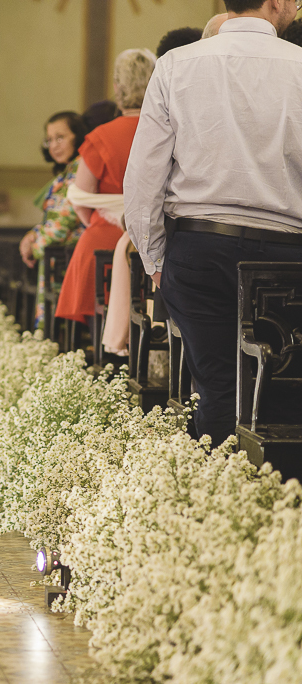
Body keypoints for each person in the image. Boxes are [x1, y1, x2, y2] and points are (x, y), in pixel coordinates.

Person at [125, 0, 302, 447]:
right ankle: (277, 487)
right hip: (287, 258)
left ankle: (216, 483)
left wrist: (154, 258)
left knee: (218, 389)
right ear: (277, 1)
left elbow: (144, 176)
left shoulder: (176, 65)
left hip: (199, 247)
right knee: (284, 394)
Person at [55, 48, 156, 327]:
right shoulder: (169, 129)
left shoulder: (100, 136)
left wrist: (103, 221)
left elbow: (80, 197)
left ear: (117, 87)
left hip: (105, 242)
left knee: (95, 326)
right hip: (157, 241)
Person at [18, 111, 86, 330]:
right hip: (58, 255)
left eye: (60, 138)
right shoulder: (68, 170)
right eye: (49, 140)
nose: (54, 146)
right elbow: (54, 217)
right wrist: (32, 235)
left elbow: (63, 222)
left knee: (58, 328)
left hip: (70, 255)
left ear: (77, 136)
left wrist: (34, 246)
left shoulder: (81, 167)